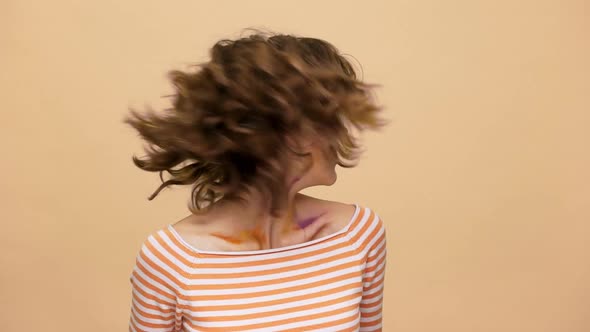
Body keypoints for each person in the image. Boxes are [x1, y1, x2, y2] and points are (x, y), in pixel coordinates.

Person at [124, 31, 387, 331]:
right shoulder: (172, 260)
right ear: (290, 133)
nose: (344, 133)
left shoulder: (359, 235)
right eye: (334, 118)